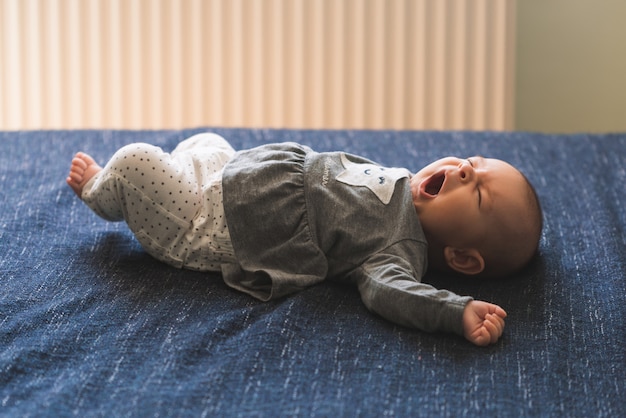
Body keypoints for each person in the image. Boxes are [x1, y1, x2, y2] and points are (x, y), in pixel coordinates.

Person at [67, 133, 542, 347]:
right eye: (474, 162)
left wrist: (455, 312)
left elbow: (389, 292)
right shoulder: (405, 186)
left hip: (211, 224)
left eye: (477, 191)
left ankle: (103, 193)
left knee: (135, 162)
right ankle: (175, 176)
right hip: (231, 173)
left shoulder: (399, 249)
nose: (463, 168)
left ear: (460, 257)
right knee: (205, 141)